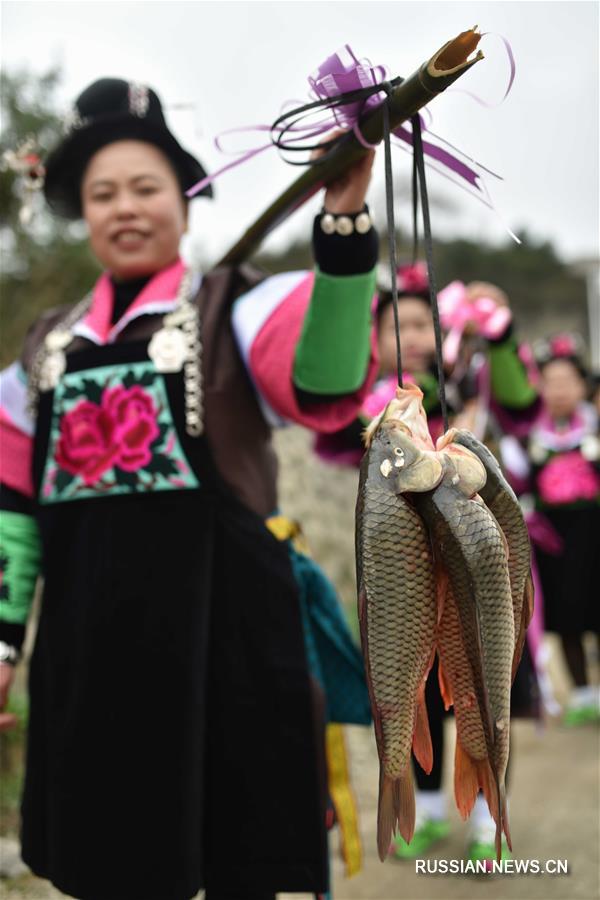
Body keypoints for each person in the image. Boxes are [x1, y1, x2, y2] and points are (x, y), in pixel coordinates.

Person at [0, 77, 381, 900]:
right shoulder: (41, 351)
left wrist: (343, 226)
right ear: (83, 211)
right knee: (108, 863)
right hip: (89, 653)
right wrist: (1, 646)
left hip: (227, 643)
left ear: (184, 199)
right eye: (104, 193)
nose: (125, 208)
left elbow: (322, 375)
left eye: (146, 187)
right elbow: (13, 513)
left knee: (234, 858)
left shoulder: (236, 308)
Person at [315, 266, 541, 864]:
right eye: (397, 327)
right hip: (406, 577)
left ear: (451, 331)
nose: (413, 335)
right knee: (424, 689)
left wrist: (503, 334)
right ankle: (437, 812)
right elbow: (327, 429)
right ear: (375, 342)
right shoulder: (375, 405)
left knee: (490, 686)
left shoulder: (473, 380)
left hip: (483, 567)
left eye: (424, 323)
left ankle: (493, 816)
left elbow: (522, 403)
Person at [526, 335, 600, 726]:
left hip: (595, 536)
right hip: (554, 543)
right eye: (550, 382)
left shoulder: (595, 426)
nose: (558, 391)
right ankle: (584, 695)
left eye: (566, 382)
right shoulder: (529, 437)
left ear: (582, 385)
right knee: (567, 617)